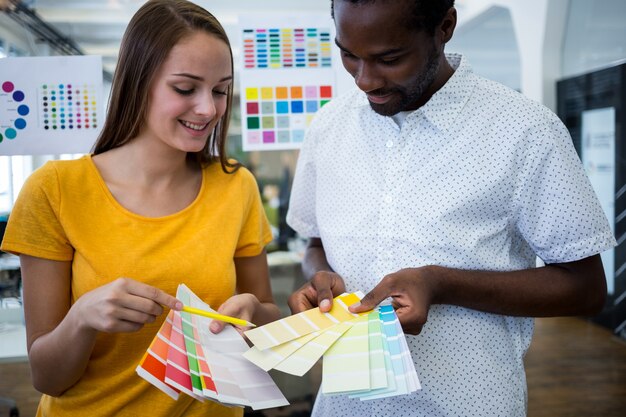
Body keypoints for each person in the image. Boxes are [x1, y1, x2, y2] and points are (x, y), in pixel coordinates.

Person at [286, 0, 617, 416]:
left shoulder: (526, 131)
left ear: (445, 27)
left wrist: (440, 283)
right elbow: (315, 243)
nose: (365, 80)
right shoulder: (328, 129)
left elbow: (585, 289)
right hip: (343, 406)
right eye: (349, 54)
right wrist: (319, 278)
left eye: (389, 58)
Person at [0, 1, 280, 416]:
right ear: (137, 82)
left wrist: (254, 313)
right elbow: (47, 378)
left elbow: (269, 319)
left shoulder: (236, 185)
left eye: (220, 90)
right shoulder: (55, 189)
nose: (208, 109)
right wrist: (83, 318)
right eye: (185, 89)